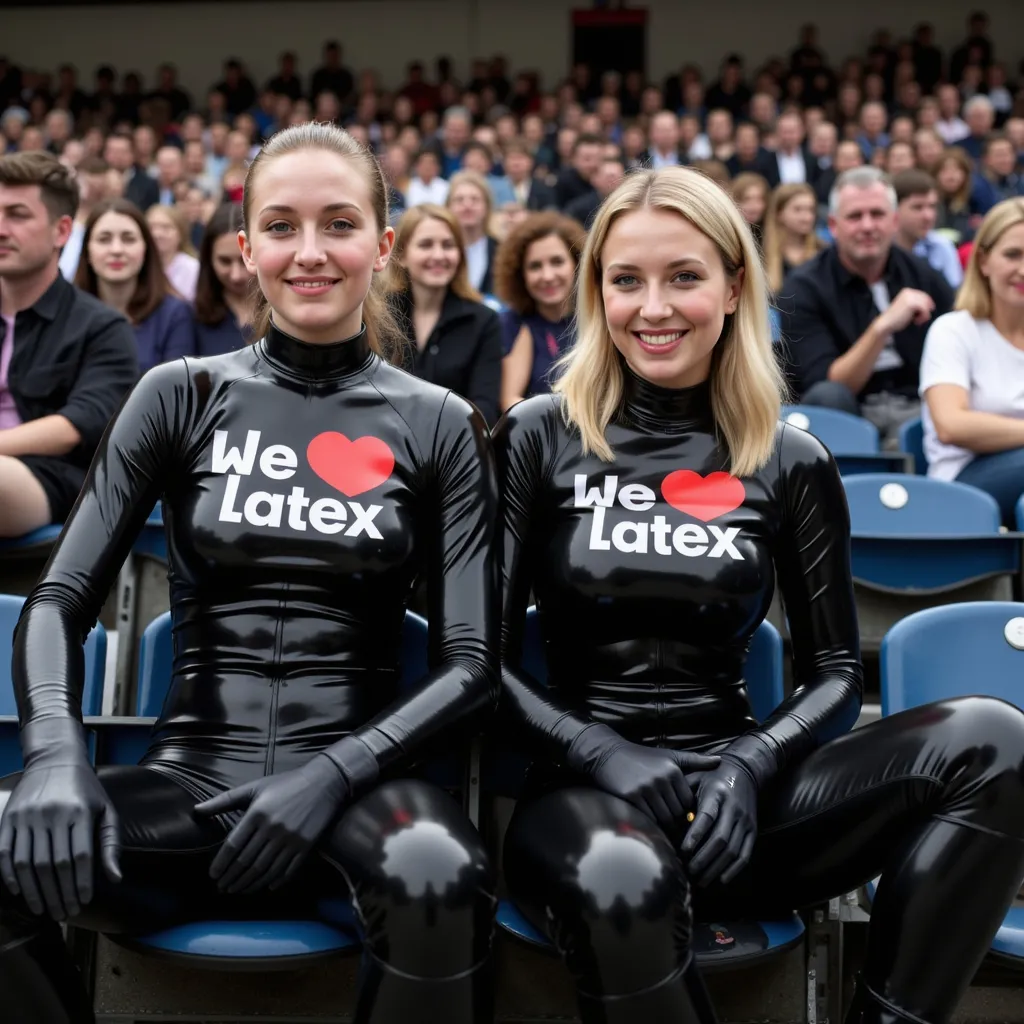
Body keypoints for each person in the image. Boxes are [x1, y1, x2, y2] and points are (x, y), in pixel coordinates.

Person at [494, 165, 1024, 1024]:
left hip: (742, 800)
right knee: (627, 879)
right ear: (597, 293)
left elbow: (836, 673)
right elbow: (475, 659)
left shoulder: (789, 458)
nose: (653, 307)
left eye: (685, 277)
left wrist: (751, 760)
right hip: (583, 802)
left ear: (735, 286)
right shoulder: (537, 436)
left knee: (995, 739)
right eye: (626, 280)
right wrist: (601, 752)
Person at [0, 123, 499, 1024]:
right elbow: (58, 601)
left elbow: (471, 661)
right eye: (281, 226)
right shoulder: (177, 392)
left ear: (382, 247)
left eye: (338, 224)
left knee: (440, 876)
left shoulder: (441, 421)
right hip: (192, 784)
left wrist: (333, 774)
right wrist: (52, 753)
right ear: (244, 248)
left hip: (367, 792)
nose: (309, 252)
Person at [0, 151, 137, 537]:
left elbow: (80, 422)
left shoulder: (102, 326)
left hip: (50, 477)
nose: (1, 228)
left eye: (17, 215)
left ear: (61, 231)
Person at [779, 167, 955, 444]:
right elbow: (829, 386)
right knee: (828, 395)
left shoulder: (922, 275)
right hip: (850, 413)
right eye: (855, 216)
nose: (867, 226)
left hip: (919, 406)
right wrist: (883, 326)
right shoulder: (803, 288)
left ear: (894, 221)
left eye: (877, 214)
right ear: (834, 226)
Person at [920, 198, 1024, 524]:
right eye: (1012, 255)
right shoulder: (953, 330)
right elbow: (951, 425)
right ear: (983, 261)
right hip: (963, 483)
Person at [387, 203, 503, 424]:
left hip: (453, 450)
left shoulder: (484, 322)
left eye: (448, 245)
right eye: (426, 245)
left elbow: (484, 408)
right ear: (401, 255)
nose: (439, 255)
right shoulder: (380, 316)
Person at [75, 198, 195, 375]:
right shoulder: (68, 313)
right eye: (104, 239)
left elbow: (177, 391)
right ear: (87, 251)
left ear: (146, 249)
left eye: (128, 239)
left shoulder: (174, 315)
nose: (116, 250)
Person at [494, 211, 584, 412]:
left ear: (577, 264)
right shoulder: (511, 325)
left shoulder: (599, 320)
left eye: (557, 262)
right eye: (535, 266)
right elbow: (509, 401)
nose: (547, 275)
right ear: (520, 275)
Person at [192, 202, 255, 356]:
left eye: (244, 259)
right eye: (224, 261)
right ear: (209, 259)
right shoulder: (192, 317)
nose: (236, 275)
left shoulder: (286, 311)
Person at [891, 170, 964, 289]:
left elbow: (954, 297)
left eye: (932, 206)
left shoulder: (942, 247)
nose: (928, 216)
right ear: (895, 209)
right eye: (917, 207)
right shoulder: (881, 251)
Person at [145, 203, 201, 302]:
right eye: (151, 227)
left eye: (166, 227)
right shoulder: (139, 266)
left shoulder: (193, 269)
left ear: (180, 234)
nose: (157, 234)